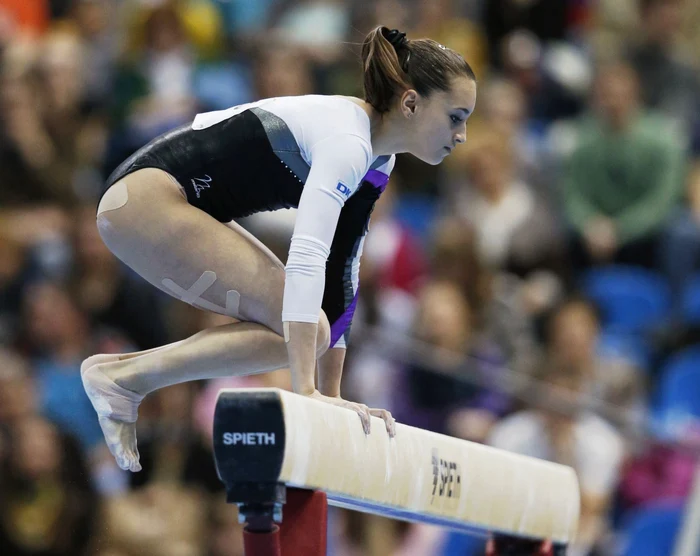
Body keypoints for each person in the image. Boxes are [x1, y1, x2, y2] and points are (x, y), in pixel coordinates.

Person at [81, 26, 477, 472]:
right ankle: (123, 379)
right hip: (147, 199)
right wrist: (305, 390)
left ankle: (123, 379)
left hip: (170, 202)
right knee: (303, 327)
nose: (461, 134)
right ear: (410, 103)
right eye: (455, 117)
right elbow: (308, 255)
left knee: (310, 328)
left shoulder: (376, 160)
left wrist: (331, 396)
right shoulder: (349, 142)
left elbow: (342, 270)